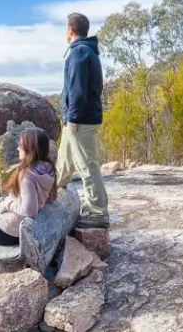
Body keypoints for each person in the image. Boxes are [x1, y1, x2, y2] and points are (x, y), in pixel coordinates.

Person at [57, 12, 109, 229]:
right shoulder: (87, 51)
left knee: (87, 166)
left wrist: (73, 117)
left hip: (80, 119)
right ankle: (55, 193)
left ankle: (98, 212)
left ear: (70, 30)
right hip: (78, 118)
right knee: (64, 160)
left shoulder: (79, 53)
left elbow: (77, 90)